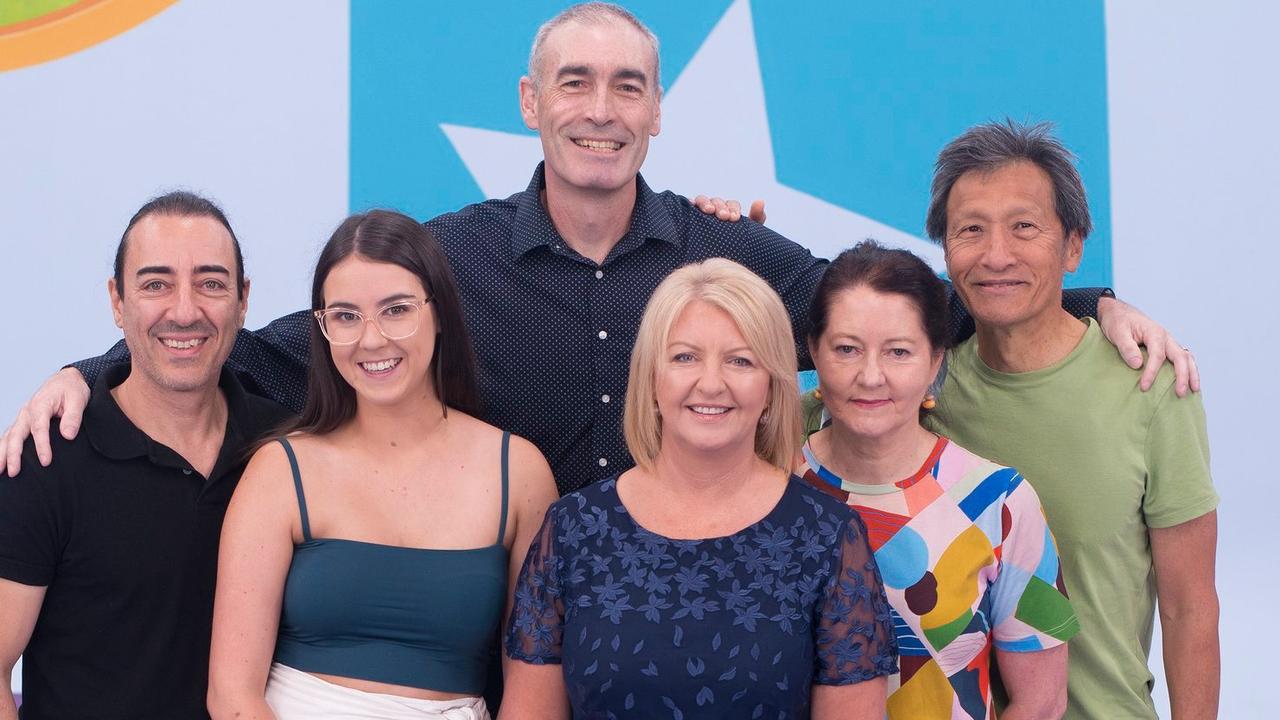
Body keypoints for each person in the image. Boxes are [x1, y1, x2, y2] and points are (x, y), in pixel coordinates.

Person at [0, 3, 1193, 497]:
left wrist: (1083, 300)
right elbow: (263, 353)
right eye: (574, 82)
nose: (599, 108)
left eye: (628, 86)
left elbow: (900, 312)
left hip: (698, 616)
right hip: (502, 633)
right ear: (532, 102)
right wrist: (91, 370)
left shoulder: (729, 261)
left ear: (658, 112)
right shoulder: (442, 260)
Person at [500, 258, 896, 719]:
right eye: (685, 357)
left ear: (771, 387)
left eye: (740, 361)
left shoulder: (828, 535)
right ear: (651, 378)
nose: (711, 383)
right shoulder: (572, 529)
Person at [206, 211, 558, 719]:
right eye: (345, 316)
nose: (371, 340)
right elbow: (232, 696)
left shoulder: (518, 473)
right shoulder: (280, 470)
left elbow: (535, 694)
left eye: (396, 310)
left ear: (440, 311)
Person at [924, 121, 1218, 719]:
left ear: (1074, 246)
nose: (996, 255)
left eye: (1024, 227)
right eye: (970, 230)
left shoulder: (1152, 386)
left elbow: (1190, 608)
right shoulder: (921, 394)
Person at [0, 192, 289, 719]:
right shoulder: (47, 457)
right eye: (156, 284)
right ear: (117, 301)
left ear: (243, 300)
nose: (184, 311)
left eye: (211, 284)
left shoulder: (285, 450)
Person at [797, 241, 1078, 720]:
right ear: (813, 354)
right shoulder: (769, 489)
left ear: (934, 363)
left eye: (898, 352)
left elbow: (1041, 703)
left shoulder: (1000, 504)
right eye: (846, 349)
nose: (870, 376)